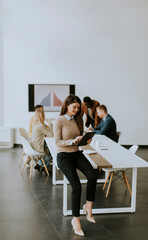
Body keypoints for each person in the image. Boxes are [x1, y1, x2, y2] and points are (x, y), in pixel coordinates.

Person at [54, 94, 97, 236]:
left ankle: (88, 206)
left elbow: (79, 136)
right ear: (67, 106)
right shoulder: (59, 121)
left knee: (92, 175)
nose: (77, 110)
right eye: (74, 107)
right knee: (76, 186)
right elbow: (58, 142)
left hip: (77, 153)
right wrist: (71, 141)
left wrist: (85, 138)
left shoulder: (78, 119)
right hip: (64, 156)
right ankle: (75, 220)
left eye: (78, 108)